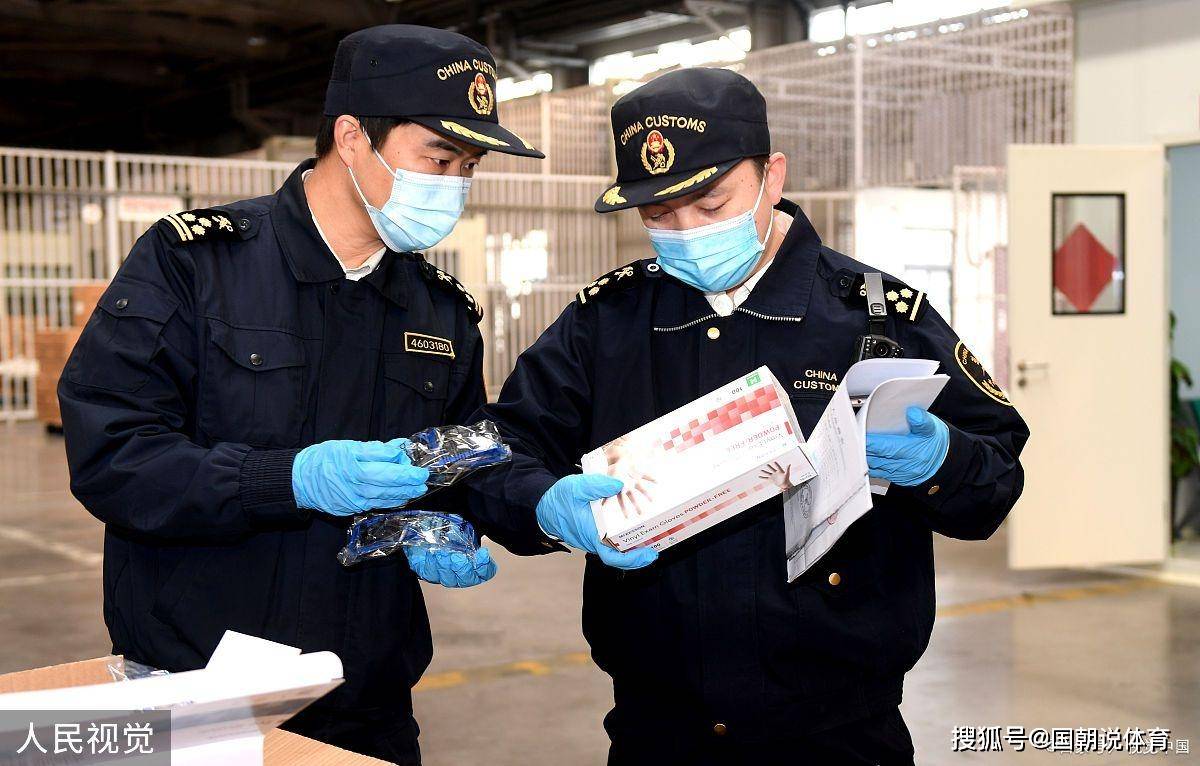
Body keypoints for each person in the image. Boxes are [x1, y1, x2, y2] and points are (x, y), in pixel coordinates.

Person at [469, 67, 1029, 764]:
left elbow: (996, 477)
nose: (685, 233)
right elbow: (499, 448)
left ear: (772, 175)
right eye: (658, 215)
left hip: (840, 735)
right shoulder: (606, 322)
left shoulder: (875, 317)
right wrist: (543, 505)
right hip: (657, 730)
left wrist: (943, 460)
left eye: (711, 205)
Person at [58, 25, 543, 763]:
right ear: (351, 136)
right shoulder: (196, 265)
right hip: (198, 695)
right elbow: (113, 455)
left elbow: (458, 460)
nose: (453, 184)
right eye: (438, 159)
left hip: (366, 700)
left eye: (468, 167)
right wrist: (286, 479)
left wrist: (513, 511)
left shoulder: (439, 310)